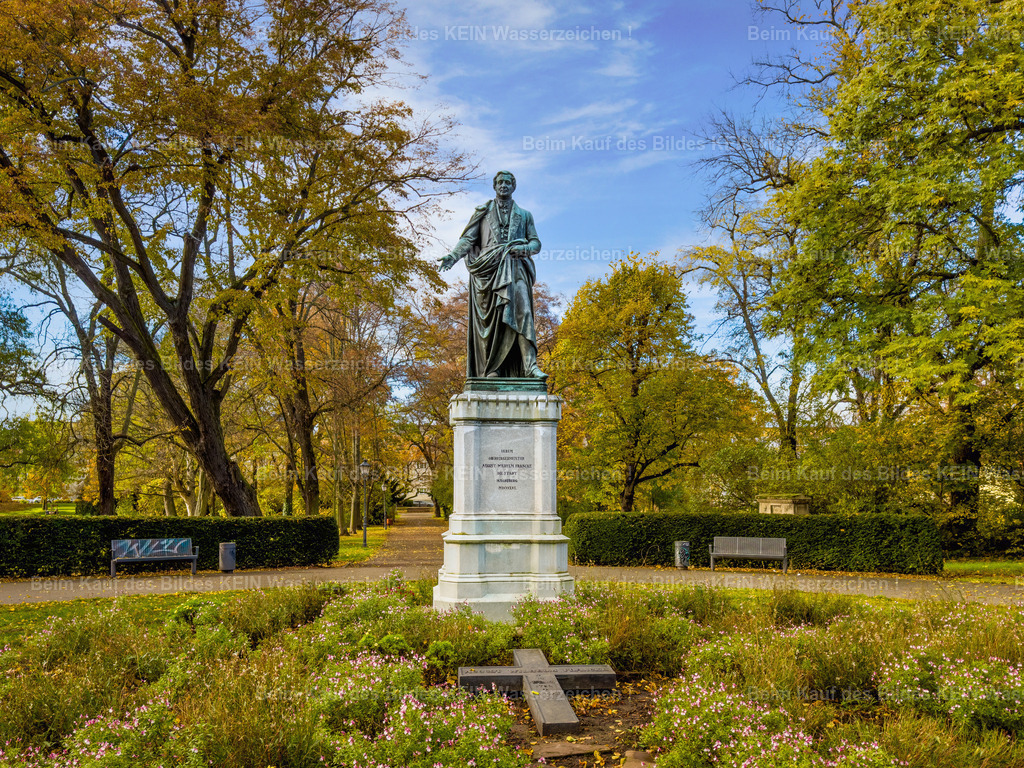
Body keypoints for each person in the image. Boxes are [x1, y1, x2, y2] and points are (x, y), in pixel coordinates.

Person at [439, 170, 546, 379]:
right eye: (500, 182)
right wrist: (453, 256)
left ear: (513, 186)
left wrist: (521, 249)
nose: (504, 185)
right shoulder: (482, 212)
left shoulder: (524, 215)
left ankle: (530, 366)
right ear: (495, 186)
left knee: (523, 313)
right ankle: (492, 369)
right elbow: (468, 240)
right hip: (488, 272)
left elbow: (536, 243)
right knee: (491, 323)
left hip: (516, 269)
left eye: (508, 182)